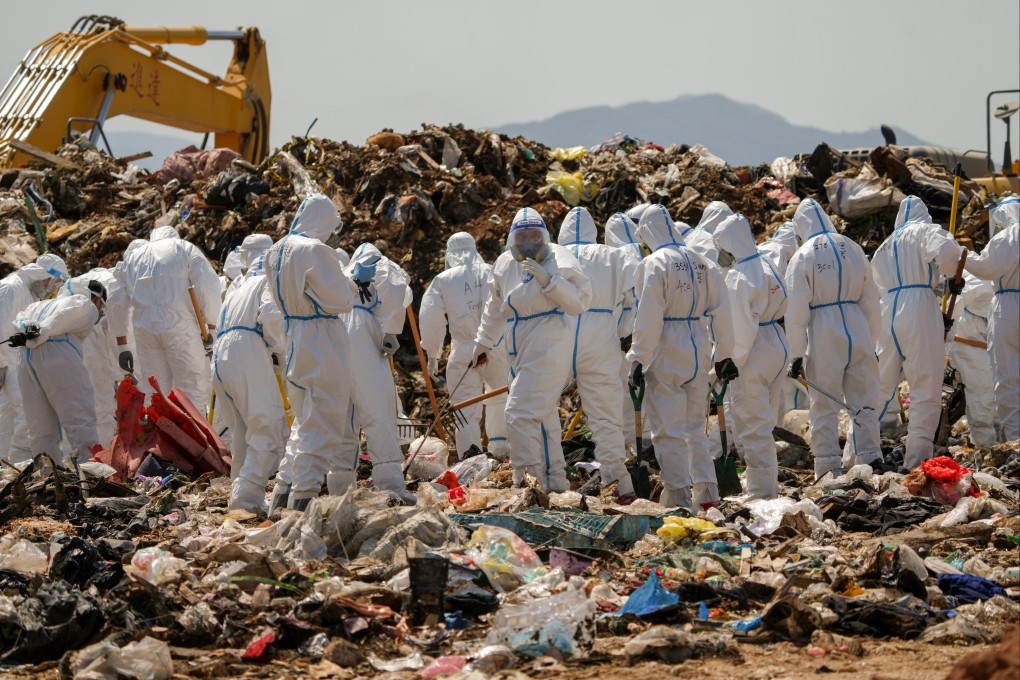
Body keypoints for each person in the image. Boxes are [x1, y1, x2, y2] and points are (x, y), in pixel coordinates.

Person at [626, 204, 737, 510]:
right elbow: (722, 312)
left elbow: (648, 317)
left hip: (666, 349)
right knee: (694, 429)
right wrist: (723, 354)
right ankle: (708, 494)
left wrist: (637, 358)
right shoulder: (703, 262)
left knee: (667, 431)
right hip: (698, 346)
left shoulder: (655, 264)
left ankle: (677, 497)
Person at [473, 208, 592, 491]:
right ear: (512, 238)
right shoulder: (504, 264)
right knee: (542, 417)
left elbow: (579, 303)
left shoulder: (558, 259)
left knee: (518, 413)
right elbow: (494, 309)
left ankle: (528, 483)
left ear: (545, 237)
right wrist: (483, 343)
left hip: (549, 341)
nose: (528, 243)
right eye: (522, 236)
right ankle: (555, 484)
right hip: (519, 346)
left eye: (534, 236)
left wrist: (550, 282)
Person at [264, 193, 358, 511]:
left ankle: (282, 495)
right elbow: (341, 300)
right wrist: (356, 282)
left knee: (303, 422)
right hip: (321, 339)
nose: (332, 234)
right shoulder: (315, 250)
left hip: (294, 335)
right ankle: (303, 501)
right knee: (323, 421)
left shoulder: (275, 251)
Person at [784, 199, 883, 480]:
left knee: (823, 405)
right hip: (857, 325)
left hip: (824, 329)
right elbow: (871, 299)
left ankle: (828, 468)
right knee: (864, 400)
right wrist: (872, 341)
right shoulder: (852, 247)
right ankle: (871, 459)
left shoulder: (803, 255)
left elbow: (796, 312)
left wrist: (796, 353)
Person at [871, 195, 966, 469]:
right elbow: (950, 253)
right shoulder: (925, 231)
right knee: (925, 386)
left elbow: (876, 285)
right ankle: (917, 460)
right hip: (918, 307)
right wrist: (952, 277)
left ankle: (859, 452)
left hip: (888, 309)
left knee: (880, 386)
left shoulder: (885, 246)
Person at [556, 207, 636, 499]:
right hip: (603, 336)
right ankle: (620, 482)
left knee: (540, 407)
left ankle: (549, 480)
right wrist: (625, 331)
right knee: (606, 416)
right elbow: (633, 297)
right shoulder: (613, 255)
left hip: (560, 333)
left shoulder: (554, 253)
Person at [714, 213, 788, 499]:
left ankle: (761, 491)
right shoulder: (768, 262)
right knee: (765, 422)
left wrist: (731, 359)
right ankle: (768, 483)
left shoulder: (739, 277)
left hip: (754, 351)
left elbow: (741, 327)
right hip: (776, 342)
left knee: (752, 424)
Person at [335, 243, 415, 503]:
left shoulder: (345, 273)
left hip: (337, 335)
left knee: (345, 417)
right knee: (379, 412)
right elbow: (397, 291)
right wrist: (391, 330)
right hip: (365, 334)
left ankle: (340, 489)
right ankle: (391, 486)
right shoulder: (384, 266)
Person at [419, 232, 510, 459]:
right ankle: (503, 452)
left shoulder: (443, 280)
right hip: (495, 344)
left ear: (449, 253)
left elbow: (431, 320)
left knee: (465, 409)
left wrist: (433, 355)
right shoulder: (494, 270)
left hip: (463, 350)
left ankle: (470, 461)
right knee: (501, 398)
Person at [112, 225, 221, 413]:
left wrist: (122, 344)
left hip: (145, 332)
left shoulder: (132, 258)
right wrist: (211, 326)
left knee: (155, 392)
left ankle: (159, 440)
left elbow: (116, 300)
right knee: (191, 388)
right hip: (180, 328)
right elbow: (208, 285)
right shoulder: (183, 248)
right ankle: (194, 439)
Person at [211, 253, 286, 512]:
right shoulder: (266, 282)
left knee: (242, 432)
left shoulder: (236, 290)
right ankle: (247, 498)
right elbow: (272, 315)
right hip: (247, 350)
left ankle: (239, 490)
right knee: (266, 425)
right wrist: (279, 350)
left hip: (221, 355)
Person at [10, 280, 107, 463]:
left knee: (40, 428)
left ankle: (47, 473)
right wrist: (41, 331)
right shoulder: (82, 302)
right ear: (95, 298)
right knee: (79, 419)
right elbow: (69, 313)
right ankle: (89, 471)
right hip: (57, 353)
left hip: (26, 358)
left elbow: (19, 320)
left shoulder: (37, 305)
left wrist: (27, 331)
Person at [0, 254, 68, 463]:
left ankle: (6, 464)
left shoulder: (25, 291)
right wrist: (1, 365)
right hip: (5, 361)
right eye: (51, 283)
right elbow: (1, 327)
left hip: (11, 361)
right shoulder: (12, 287)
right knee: (23, 412)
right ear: (43, 275)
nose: (50, 289)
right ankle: (18, 462)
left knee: (8, 416)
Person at [964, 196, 1019, 441]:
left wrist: (961, 255)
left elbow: (986, 269)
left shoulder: (1007, 237)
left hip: (1008, 305)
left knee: (1007, 377)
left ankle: (1016, 441)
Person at [59, 269, 123, 444]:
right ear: (95, 299)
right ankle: (102, 458)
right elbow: (104, 360)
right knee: (102, 412)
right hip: (95, 380)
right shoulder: (89, 325)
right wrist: (121, 376)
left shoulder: (65, 317)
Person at [604, 212, 645, 451]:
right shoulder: (643, 252)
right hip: (650, 332)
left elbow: (623, 300)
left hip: (628, 334)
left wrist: (626, 332)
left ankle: (632, 445)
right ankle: (647, 443)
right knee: (646, 392)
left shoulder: (619, 257)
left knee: (626, 393)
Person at [949, 272, 998, 446]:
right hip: (969, 340)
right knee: (981, 394)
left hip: (992, 341)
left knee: (1001, 394)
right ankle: (986, 447)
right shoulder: (981, 278)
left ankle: (1006, 445)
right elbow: (954, 304)